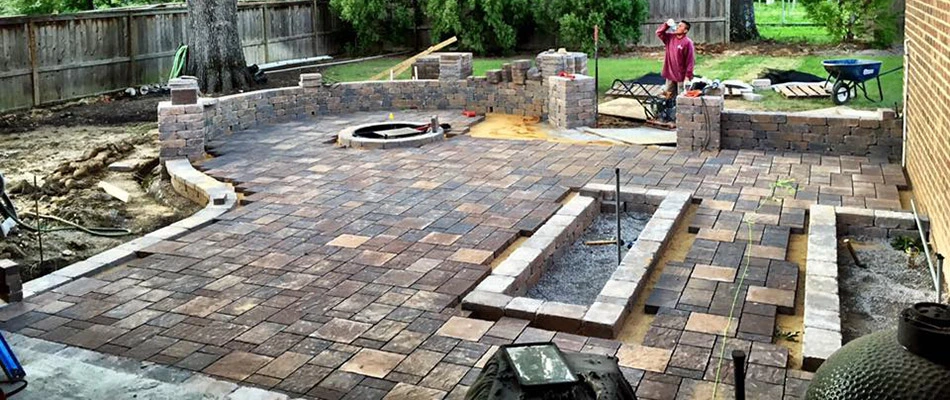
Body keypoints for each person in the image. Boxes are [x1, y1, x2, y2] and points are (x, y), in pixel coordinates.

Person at [656, 19, 695, 99]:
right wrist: (666, 25)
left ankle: (679, 111)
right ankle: (667, 110)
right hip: (670, 75)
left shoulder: (687, 42)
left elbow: (690, 61)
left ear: (685, 31)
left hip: (681, 77)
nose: (677, 27)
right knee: (667, 96)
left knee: (681, 99)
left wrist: (687, 77)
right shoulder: (669, 38)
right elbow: (659, 33)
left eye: (680, 26)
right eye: (678, 25)